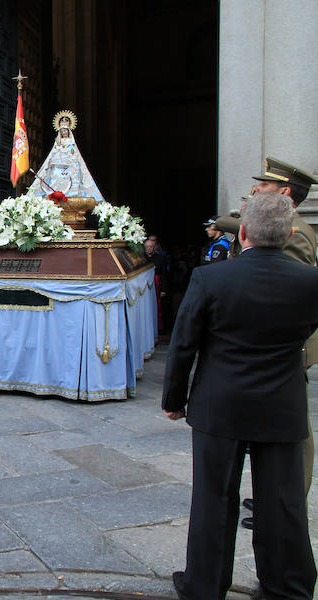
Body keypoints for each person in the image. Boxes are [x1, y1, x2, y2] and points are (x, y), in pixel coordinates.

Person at [163, 191, 318, 600]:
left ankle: (205, 586)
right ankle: (288, 587)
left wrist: (174, 400)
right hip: (282, 404)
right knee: (284, 503)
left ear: (243, 232)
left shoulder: (211, 277)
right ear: (287, 235)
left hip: (220, 402)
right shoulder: (309, 281)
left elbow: (183, 344)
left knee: (213, 498)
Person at [213, 157, 318, 529]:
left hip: (282, 345)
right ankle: (272, 497)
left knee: (292, 431)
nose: (256, 188)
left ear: (285, 192)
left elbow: (290, 293)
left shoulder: (298, 233)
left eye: (265, 186)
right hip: (272, 343)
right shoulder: (286, 227)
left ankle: (286, 502)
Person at [27, 110, 105, 202]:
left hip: (68, 170)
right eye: (62, 130)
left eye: (65, 130)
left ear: (68, 131)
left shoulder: (71, 143)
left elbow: (74, 156)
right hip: (56, 170)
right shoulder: (57, 143)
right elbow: (51, 156)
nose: (64, 132)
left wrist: (69, 160)